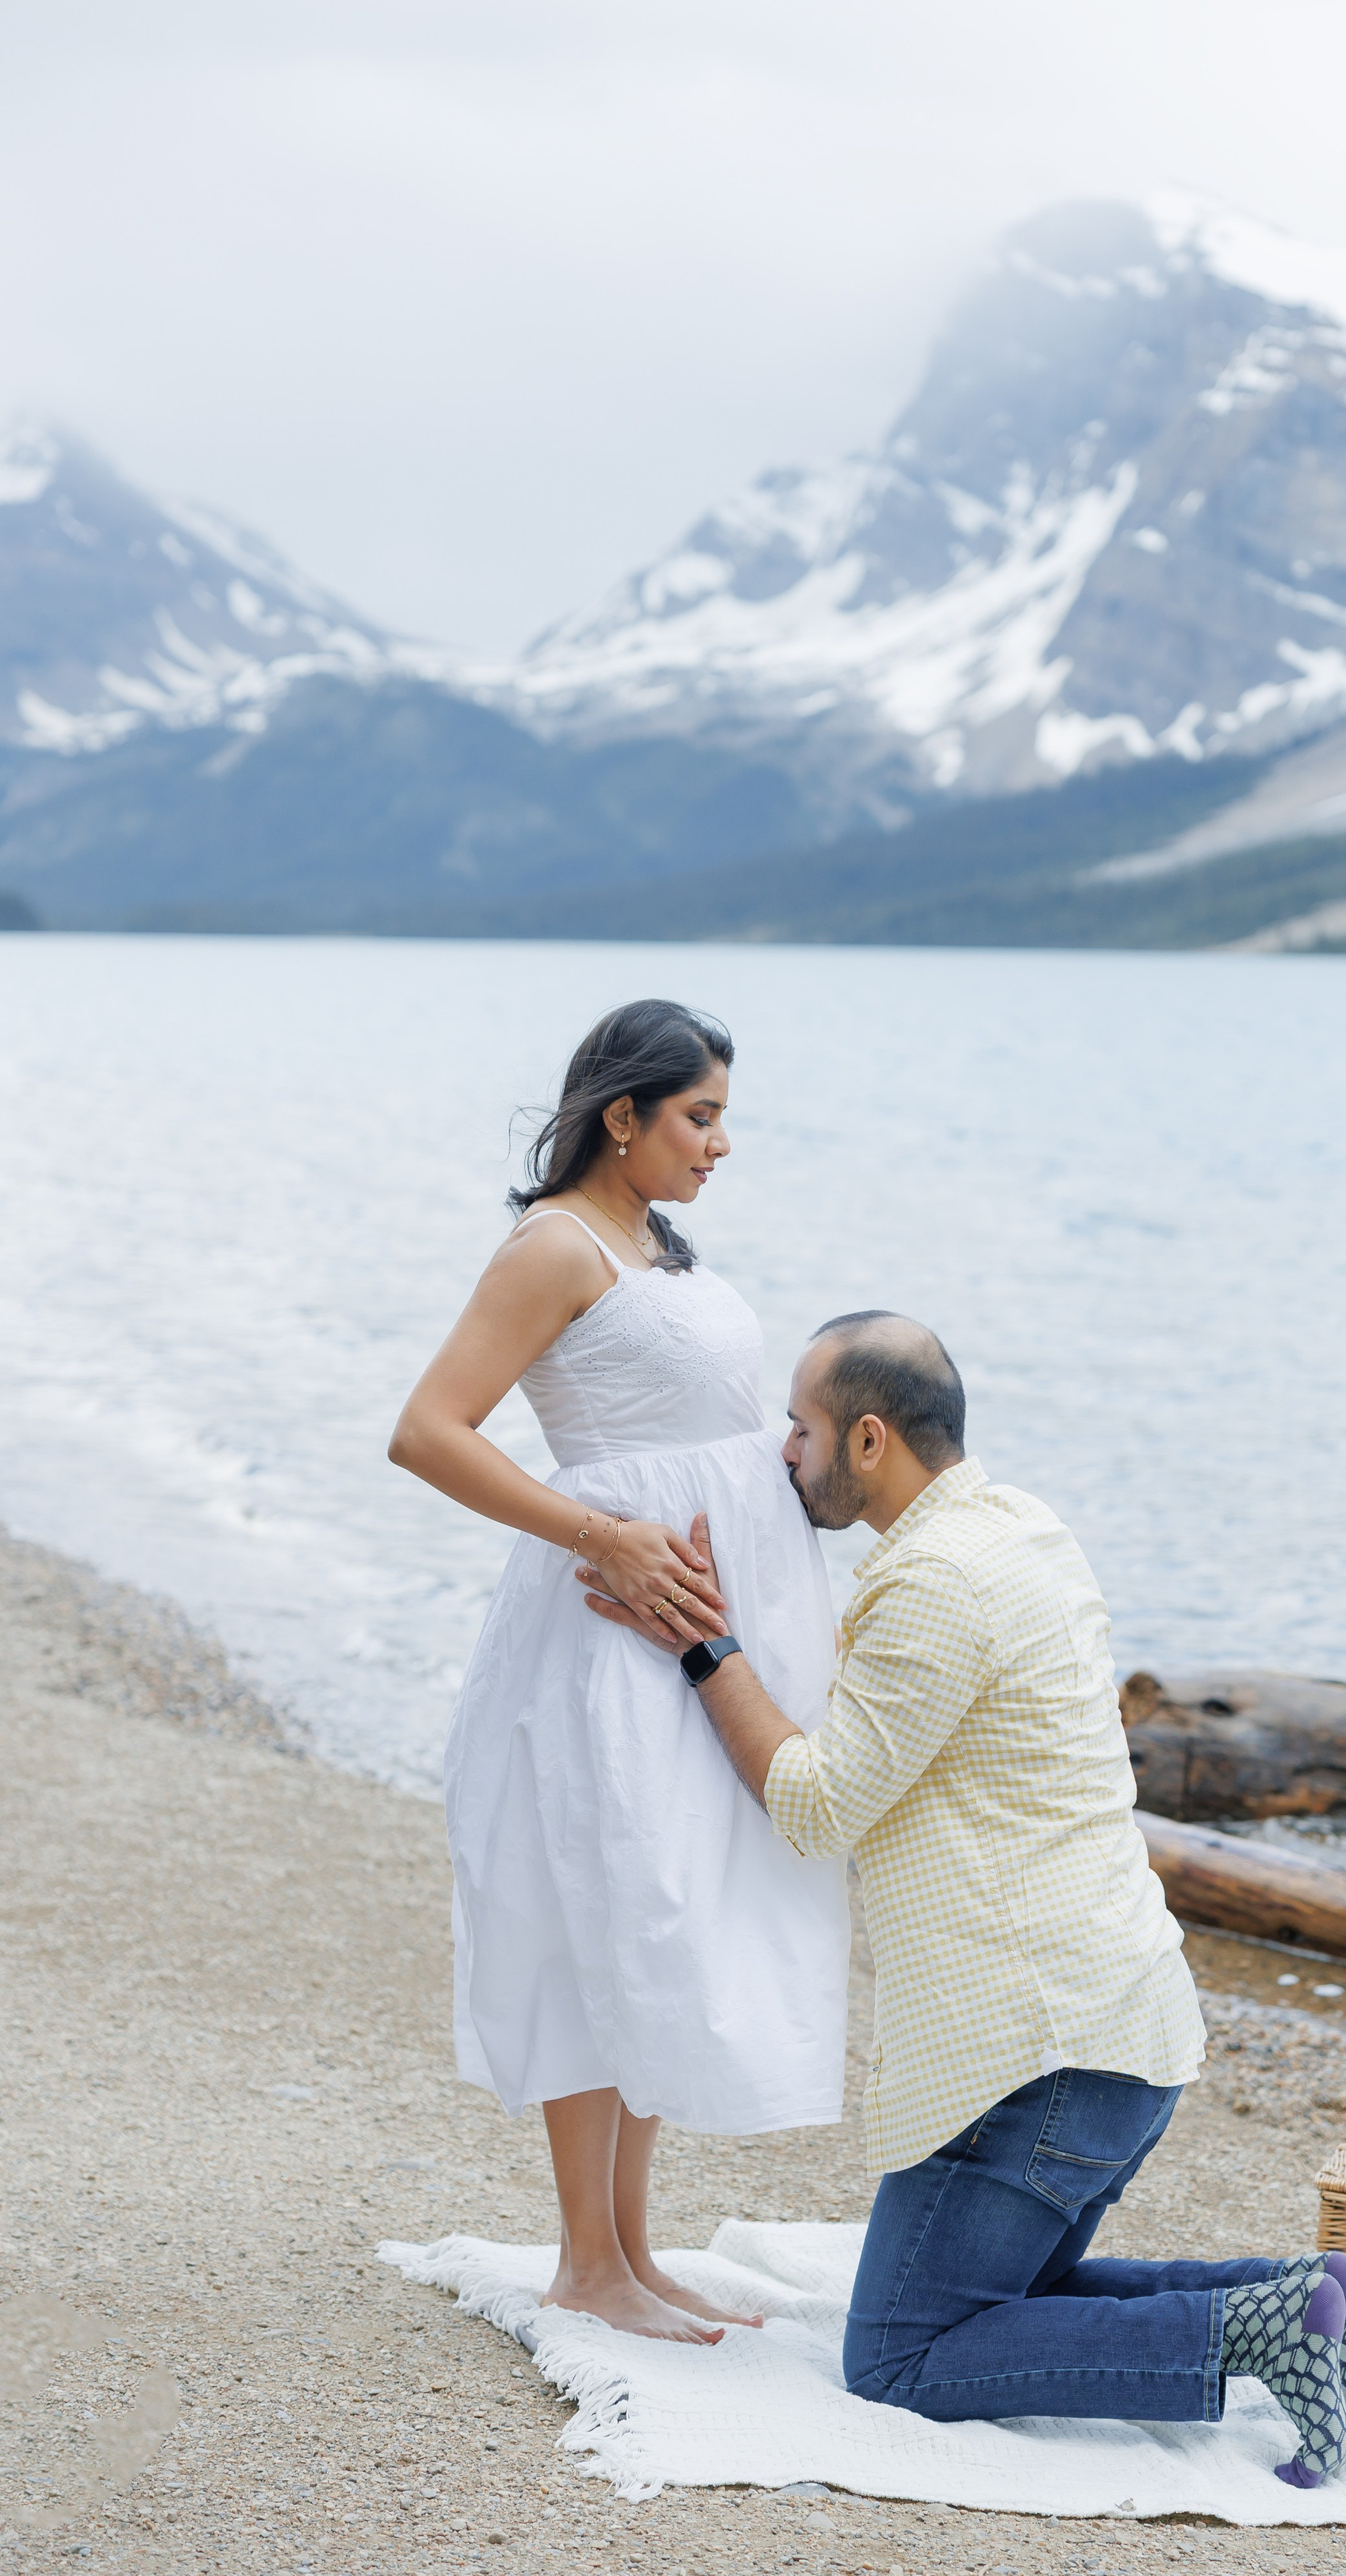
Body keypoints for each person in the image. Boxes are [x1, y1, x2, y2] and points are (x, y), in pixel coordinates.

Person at [583, 1311, 1346, 2477]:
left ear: (869, 1440)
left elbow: (815, 1807)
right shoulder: (1024, 1529)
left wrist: (709, 1649)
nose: (783, 1453)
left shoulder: (934, 1586)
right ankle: (1301, 2299)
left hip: (1036, 2065)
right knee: (1021, 2293)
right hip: (1126, 2032)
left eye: (800, 1429)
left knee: (904, 2355)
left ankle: (1248, 2329)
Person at [389, 999, 848, 2344]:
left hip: (694, 1630)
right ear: (622, 1117)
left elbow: (701, 1427)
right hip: (605, 1621)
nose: (719, 1144)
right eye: (699, 1117)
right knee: (603, 1907)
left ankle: (632, 2250)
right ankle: (585, 2258)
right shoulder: (552, 1245)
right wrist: (602, 1533)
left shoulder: (653, 1245)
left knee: (666, 1909)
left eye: (722, 1118)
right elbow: (427, 1430)